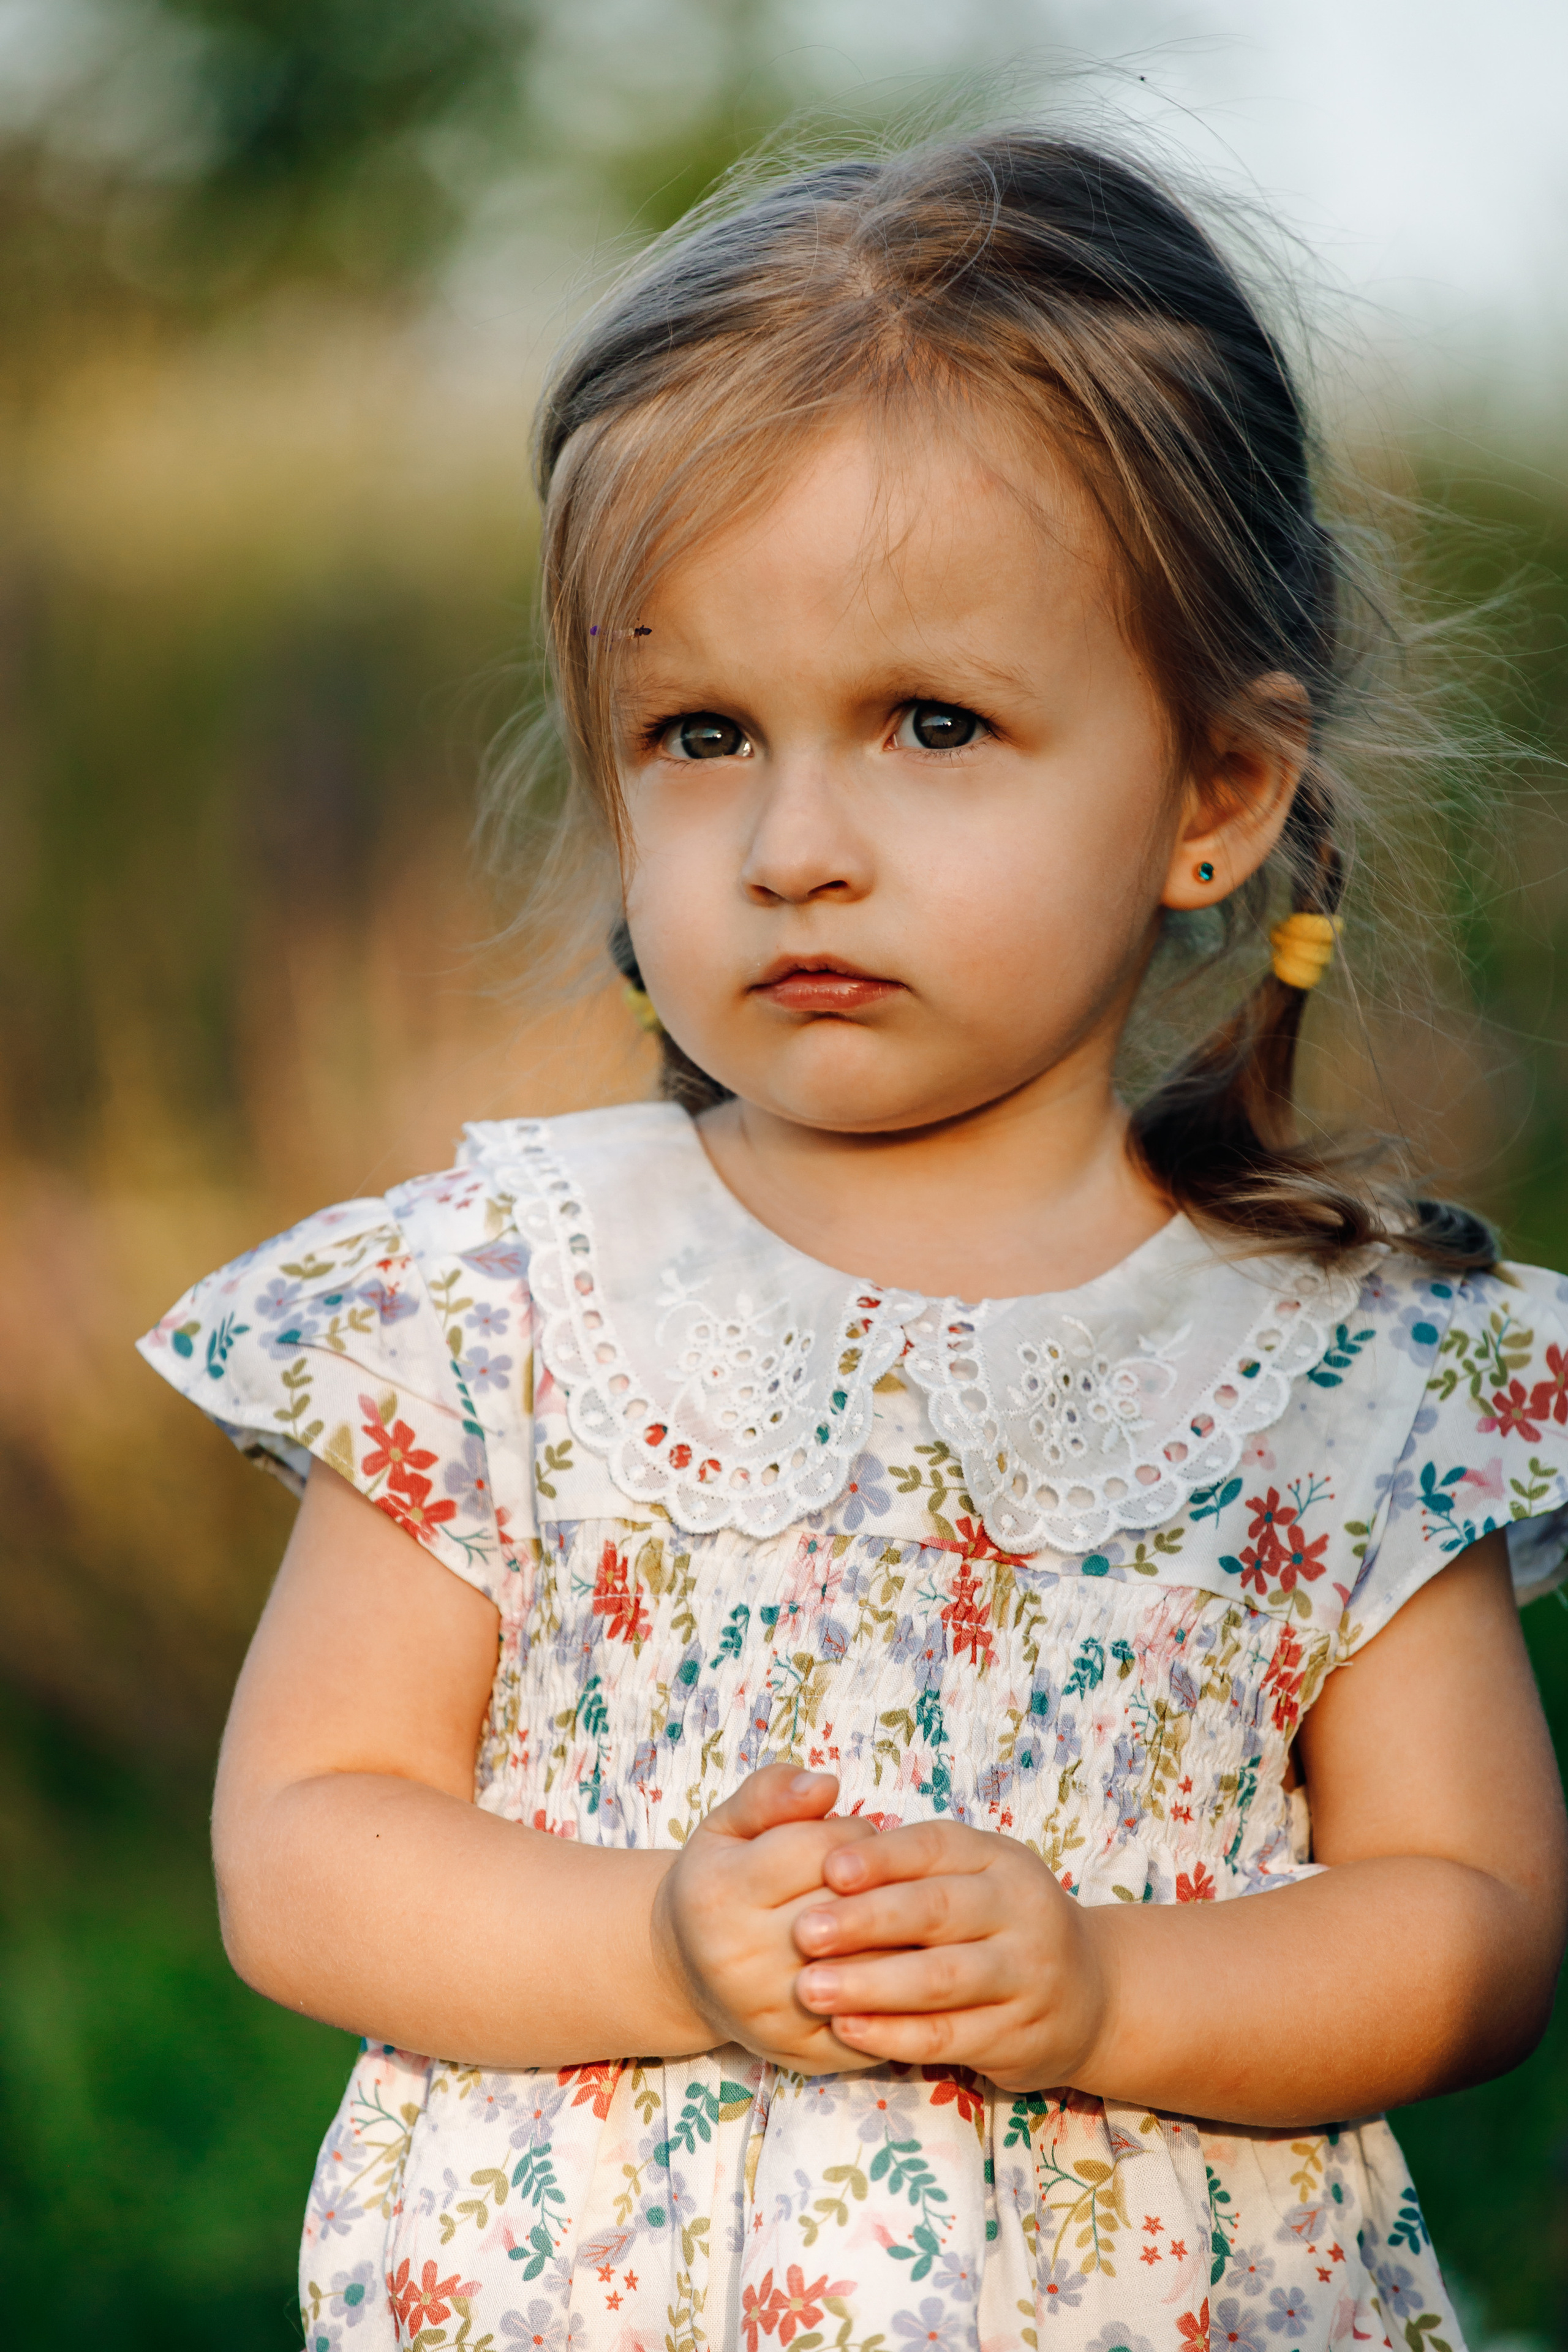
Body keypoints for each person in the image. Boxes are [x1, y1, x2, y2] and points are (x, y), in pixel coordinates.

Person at [139, 130, 1568, 2352]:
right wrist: (661, 1945)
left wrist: (1109, 1984)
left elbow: (1468, 1921)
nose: (799, 843)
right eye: (701, 733)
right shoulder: (505, 1298)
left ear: (1215, 795)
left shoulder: (1346, 1366)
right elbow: (310, 1839)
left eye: (933, 723)